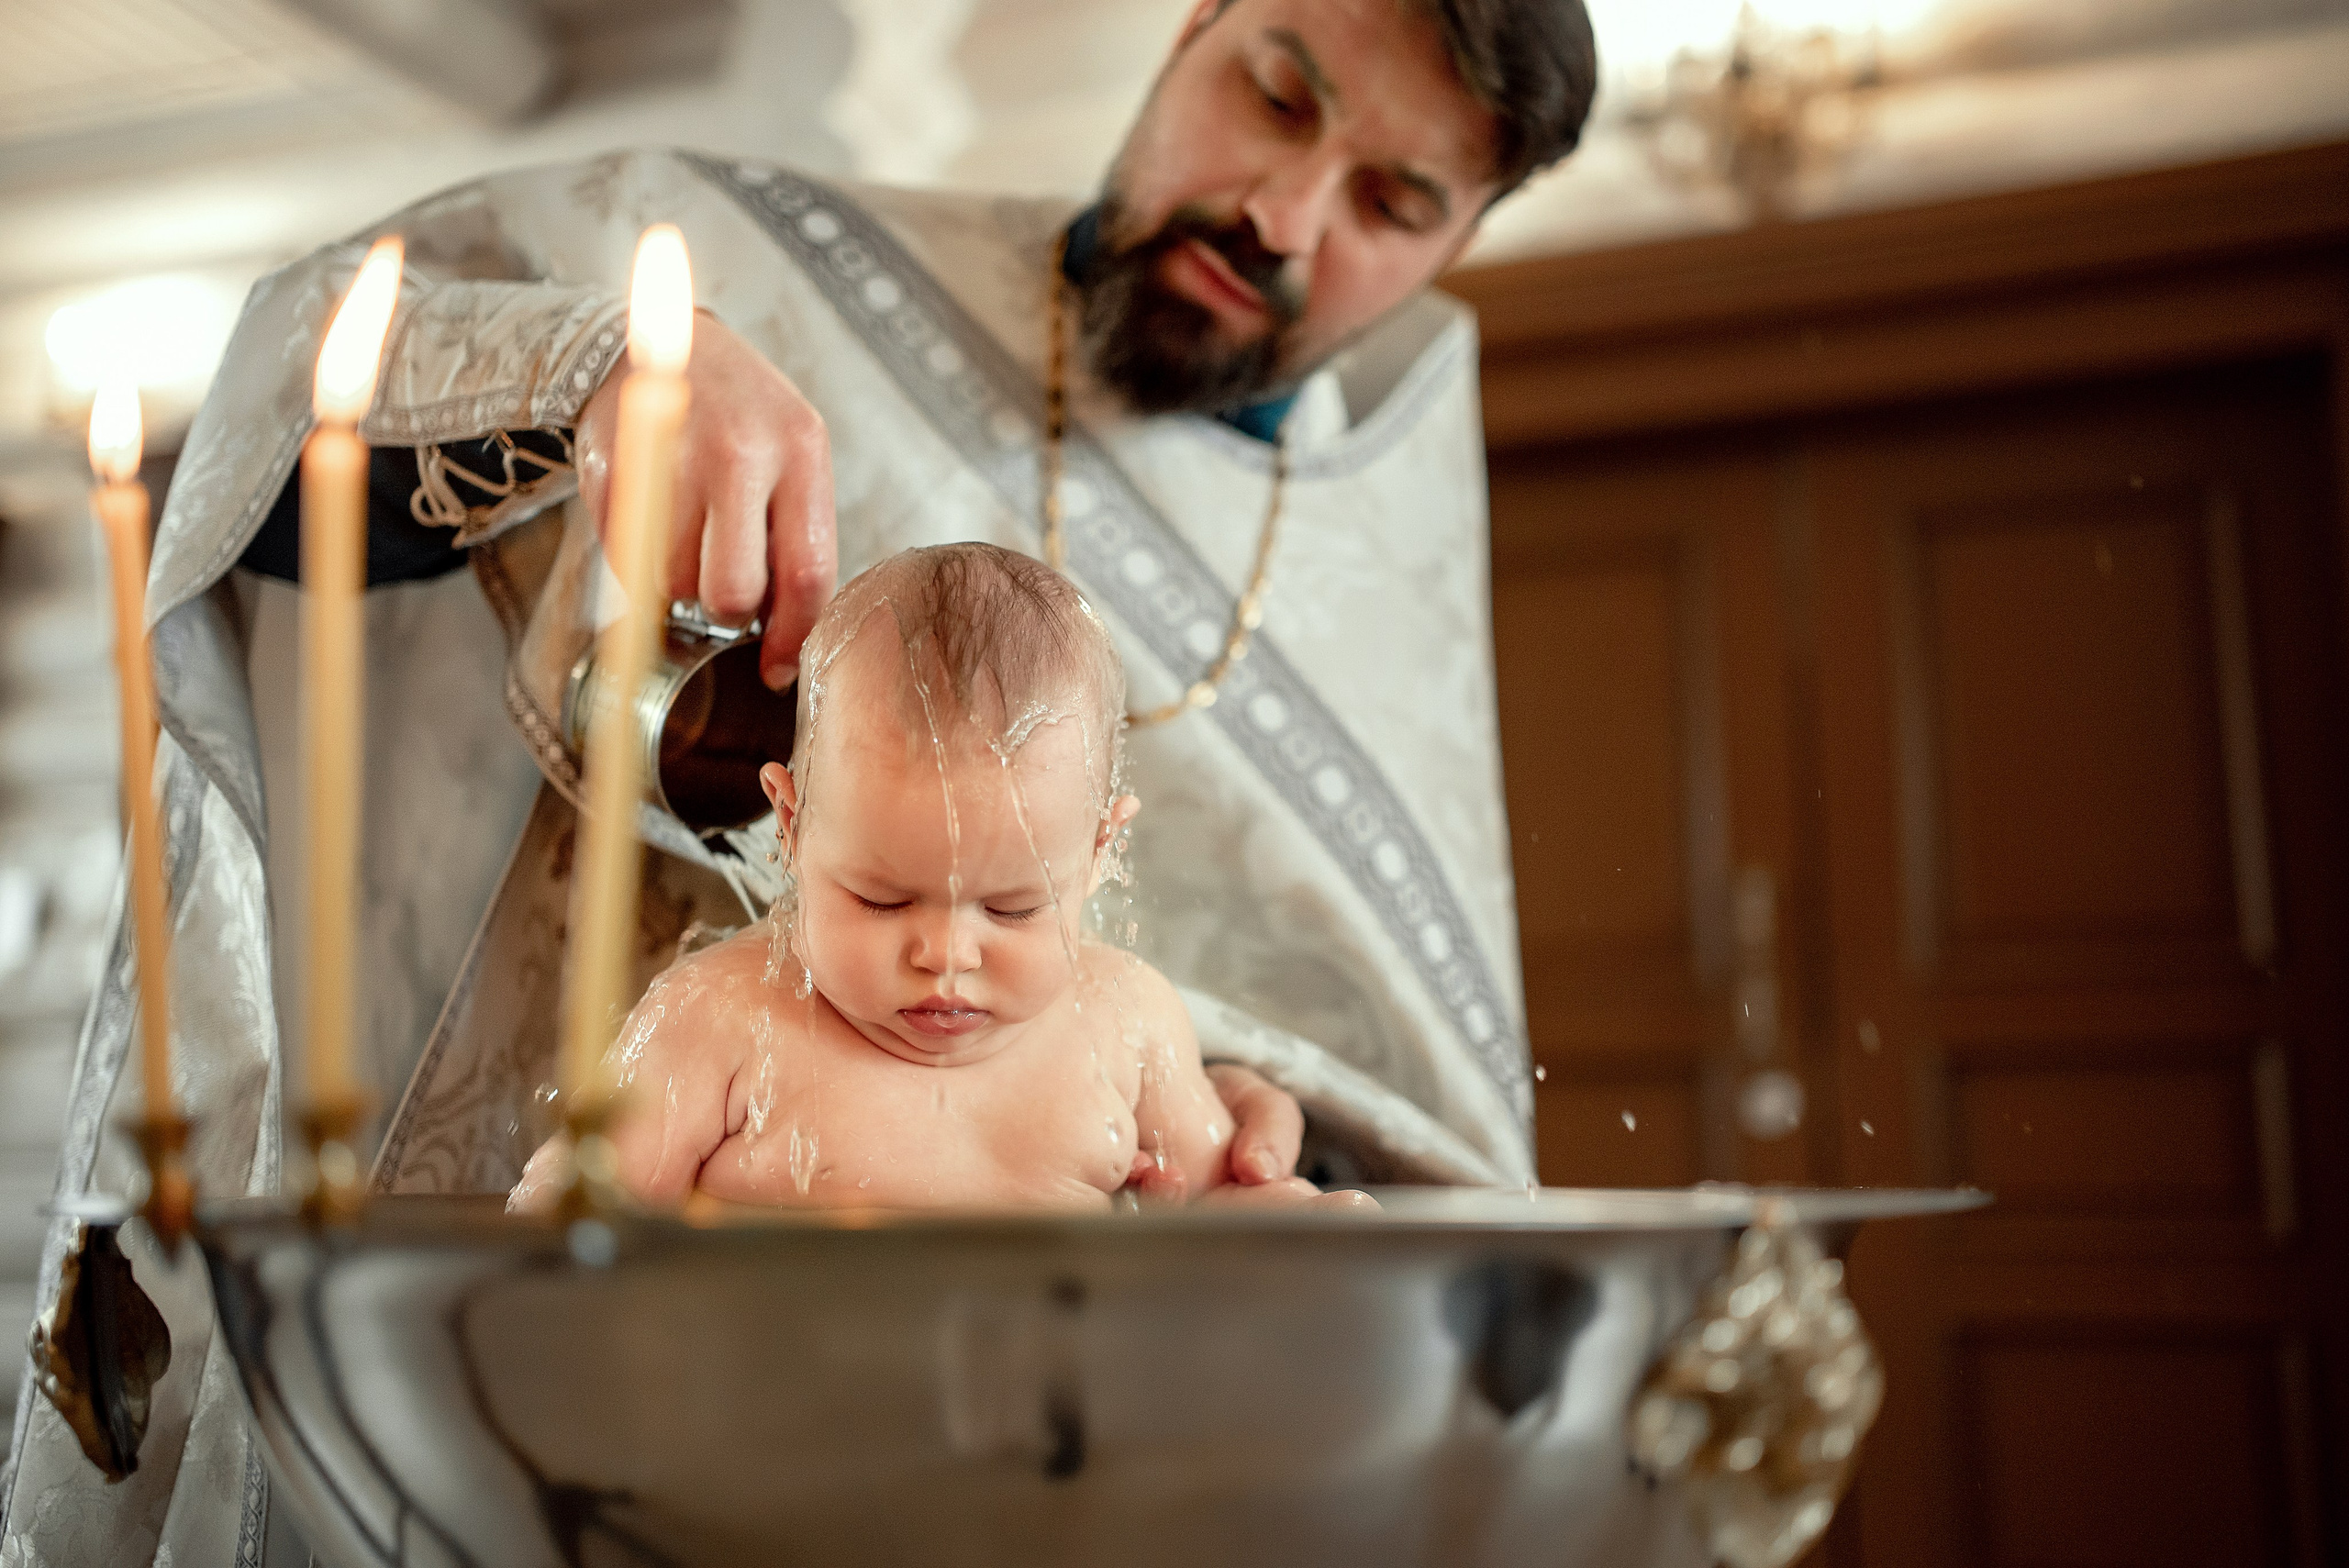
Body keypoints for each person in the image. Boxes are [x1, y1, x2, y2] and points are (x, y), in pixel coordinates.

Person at [2, 0, 1596, 1561]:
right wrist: (596, 367)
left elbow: (1398, 1128)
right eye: (1280, 92)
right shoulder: (773, 267)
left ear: (1470, 234)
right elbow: (300, 395)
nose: (1281, 210)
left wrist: (1255, 1148)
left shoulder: (1389, 529)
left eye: (1396, 200)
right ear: (1194, 24)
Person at [517, 543, 1355, 1214]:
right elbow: (571, 1232)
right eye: (880, 898)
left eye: (1015, 907)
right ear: (793, 821)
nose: (946, 954)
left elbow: (1218, 1212)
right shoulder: (721, 1020)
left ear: (1102, 849)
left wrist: (1287, 1220)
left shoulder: (1127, 1023)